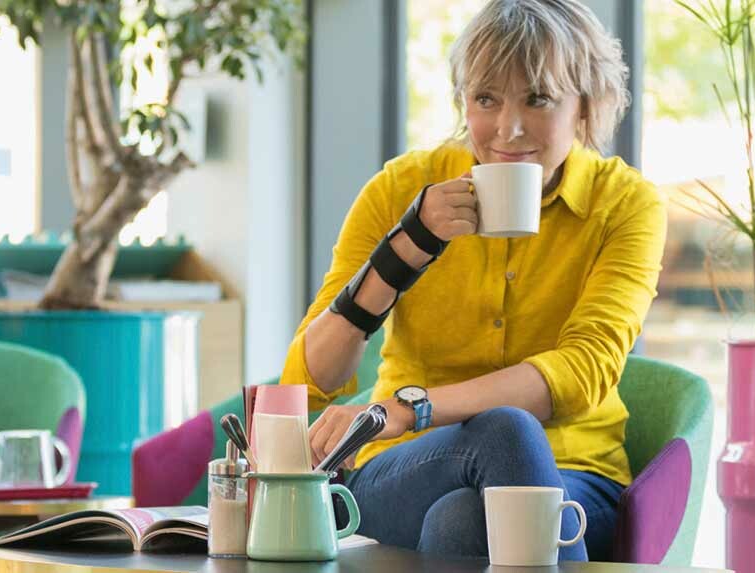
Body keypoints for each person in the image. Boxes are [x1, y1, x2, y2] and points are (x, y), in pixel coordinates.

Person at [281, 0, 666, 562]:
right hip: (410, 468)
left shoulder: (625, 204)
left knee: (465, 516)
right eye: (486, 99)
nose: (508, 128)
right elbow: (314, 374)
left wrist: (408, 408)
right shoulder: (403, 187)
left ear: (586, 103)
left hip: (575, 476)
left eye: (538, 98)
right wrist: (408, 246)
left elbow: (584, 370)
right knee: (498, 445)